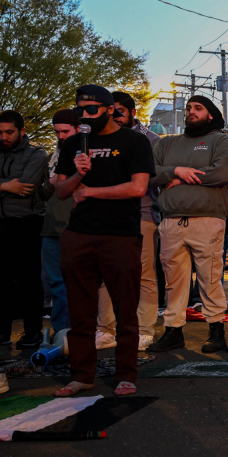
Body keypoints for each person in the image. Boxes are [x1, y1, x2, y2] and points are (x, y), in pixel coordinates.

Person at [53, 84, 155, 397]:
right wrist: (78, 175)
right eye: (80, 109)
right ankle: (82, 375)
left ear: (110, 109)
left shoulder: (134, 141)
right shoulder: (74, 145)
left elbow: (138, 188)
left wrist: (91, 191)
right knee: (80, 310)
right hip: (79, 234)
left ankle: (126, 374)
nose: (85, 115)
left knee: (125, 309)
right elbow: (60, 190)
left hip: (120, 235)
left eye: (91, 109)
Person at [149, 95, 228, 353]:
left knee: (210, 278)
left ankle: (216, 331)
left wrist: (180, 179)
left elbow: (221, 173)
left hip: (207, 219)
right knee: (174, 281)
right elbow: (150, 172)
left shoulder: (220, 141)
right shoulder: (168, 143)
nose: (191, 112)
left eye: (198, 108)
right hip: (171, 221)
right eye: (189, 108)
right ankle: (173, 331)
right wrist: (176, 171)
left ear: (210, 114)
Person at [0, 110, 49, 350]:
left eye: (9, 132)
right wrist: (5, 185)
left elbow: (26, 186)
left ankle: (32, 332)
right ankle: (1, 331)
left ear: (22, 131)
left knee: (28, 280)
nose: (4, 136)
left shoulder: (37, 153)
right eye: (0, 132)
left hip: (25, 222)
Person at [94, 91, 162, 350]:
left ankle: (144, 330)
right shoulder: (100, 139)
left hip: (142, 212)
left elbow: (155, 177)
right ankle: (105, 330)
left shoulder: (153, 141)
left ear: (133, 113)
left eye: (120, 111)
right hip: (105, 215)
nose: (115, 116)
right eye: (111, 111)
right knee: (106, 274)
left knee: (143, 274)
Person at [40, 109, 81, 336]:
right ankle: (62, 332)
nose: (61, 136)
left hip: (79, 226)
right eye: (57, 132)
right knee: (57, 285)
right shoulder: (51, 158)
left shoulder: (87, 155)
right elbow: (41, 193)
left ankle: (83, 330)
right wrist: (52, 183)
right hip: (52, 227)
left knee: (81, 283)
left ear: (78, 129)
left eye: (66, 131)